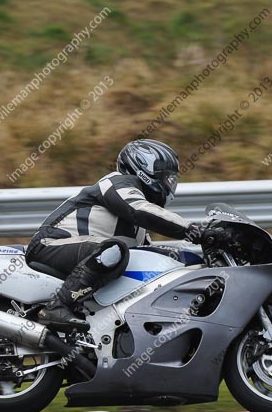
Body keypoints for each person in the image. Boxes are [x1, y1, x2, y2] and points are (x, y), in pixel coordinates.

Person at [25, 139, 204, 331]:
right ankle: (58, 306)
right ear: (145, 168)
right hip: (50, 244)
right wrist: (194, 230)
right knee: (114, 250)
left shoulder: (139, 224)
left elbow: (147, 252)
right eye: (167, 178)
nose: (170, 184)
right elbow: (138, 209)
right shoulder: (118, 182)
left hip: (82, 251)